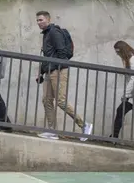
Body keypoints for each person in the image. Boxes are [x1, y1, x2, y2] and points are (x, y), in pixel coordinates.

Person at [35, 11, 93, 141]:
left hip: (58, 71)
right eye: (37, 21)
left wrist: (57, 70)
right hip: (50, 71)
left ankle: (84, 125)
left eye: (41, 20)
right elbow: (48, 55)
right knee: (46, 100)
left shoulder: (54, 32)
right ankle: (52, 131)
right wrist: (42, 72)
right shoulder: (46, 34)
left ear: (48, 20)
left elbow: (62, 53)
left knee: (61, 101)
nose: (39, 23)